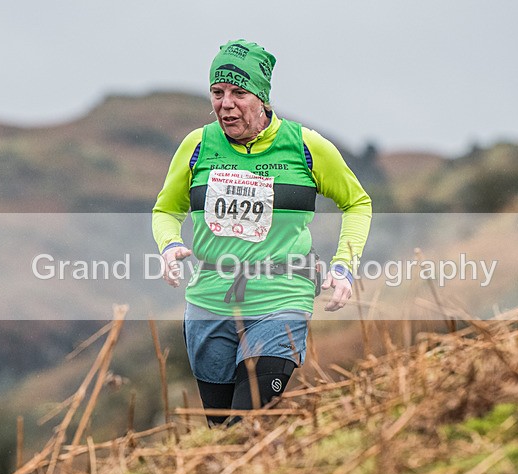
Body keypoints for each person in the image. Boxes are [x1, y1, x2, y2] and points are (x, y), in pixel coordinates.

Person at [152, 39, 371, 426]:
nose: (226, 104)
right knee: (220, 428)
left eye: (239, 93)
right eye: (218, 93)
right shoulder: (198, 146)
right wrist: (169, 245)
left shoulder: (306, 147)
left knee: (246, 422)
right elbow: (167, 209)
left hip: (282, 296)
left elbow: (357, 204)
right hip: (209, 300)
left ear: (263, 98)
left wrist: (343, 266)